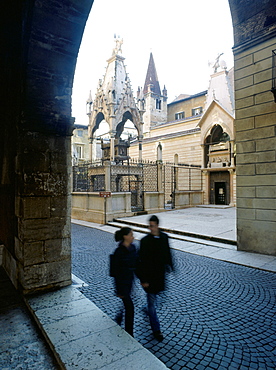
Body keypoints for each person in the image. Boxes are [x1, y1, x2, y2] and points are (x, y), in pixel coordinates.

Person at [137, 215, 174, 342]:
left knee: (159, 300)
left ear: (157, 225)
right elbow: (140, 262)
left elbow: (168, 253)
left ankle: (146, 309)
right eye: (149, 226)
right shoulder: (145, 241)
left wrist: (170, 266)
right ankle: (156, 330)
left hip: (161, 277)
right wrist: (143, 280)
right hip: (149, 279)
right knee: (152, 304)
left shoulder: (164, 237)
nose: (151, 228)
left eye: (152, 226)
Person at [111, 227, 136, 337]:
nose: (133, 237)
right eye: (131, 234)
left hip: (130, 281)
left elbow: (137, 264)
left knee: (127, 305)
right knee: (130, 307)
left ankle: (119, 317)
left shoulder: (133, 248)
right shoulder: (118, 252)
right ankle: (129, 333)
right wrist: (118, 290)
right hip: (122, 284)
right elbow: (114, 272)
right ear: (125, 236)